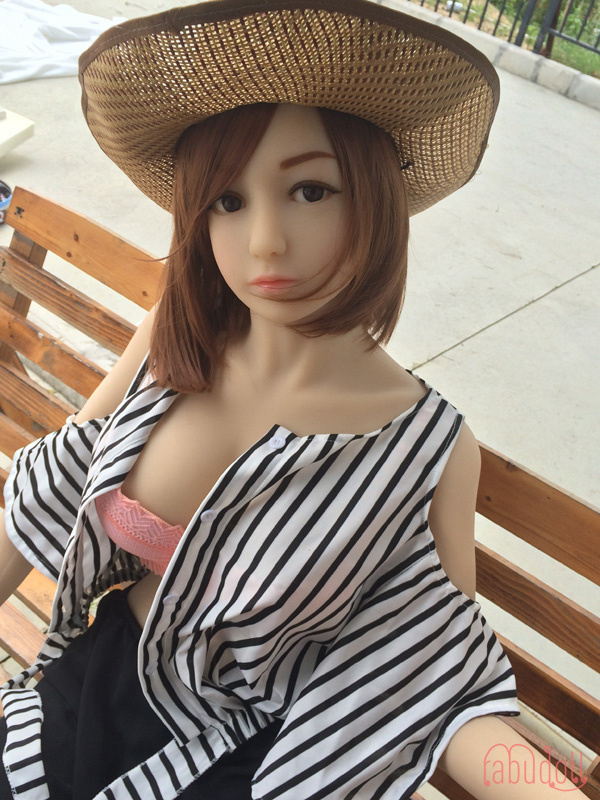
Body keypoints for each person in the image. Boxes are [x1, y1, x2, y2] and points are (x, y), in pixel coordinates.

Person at [0, 1, 585, 799]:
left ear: (375, 196)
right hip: (80, 696)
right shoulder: (175, 339)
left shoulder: (427, 447)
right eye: (228, 201)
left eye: (311, 190)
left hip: (240, 762)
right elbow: (58, 482)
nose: (266, 241)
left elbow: (436, 678)